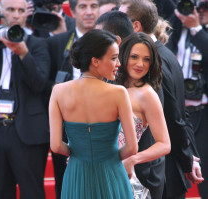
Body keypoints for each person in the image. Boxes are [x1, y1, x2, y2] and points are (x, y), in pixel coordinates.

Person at [119, 0, 204, 198]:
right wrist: (189, 156)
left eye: (122, 19)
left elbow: (174, 116)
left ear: (136, 25)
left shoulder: (153, 61)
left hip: (161, 171)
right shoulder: (164, 53)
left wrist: (187, 159)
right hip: (165, 166)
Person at [49, 28, 138, 199]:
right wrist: (108, 157)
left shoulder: (58, 91)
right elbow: (132, 147)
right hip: (111, 172)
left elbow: (56, 146)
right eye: (113, 58)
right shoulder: (118, 93)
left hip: (76, 173)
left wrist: (78, 153)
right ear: (95, 61)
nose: (119, 63)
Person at [0, 0, 50, 198]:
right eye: (11, 10)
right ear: (2, 13)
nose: (16, 15)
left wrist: (24, 54)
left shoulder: (38, 45)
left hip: (27, 131)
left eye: (20, 10)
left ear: (27, 13)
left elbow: (40, 84)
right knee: (0, 192)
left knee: (32, 192)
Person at [46, 0, 100, 197]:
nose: (88, 12)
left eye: (93, 6)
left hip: (103, 126)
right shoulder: (56, 43)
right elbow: (46, 85)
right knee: (66, 183)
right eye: (83, 6)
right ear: (73, 11)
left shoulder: (111, 43)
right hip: (66, 128)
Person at [117, 32, 171, 199]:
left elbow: (164, 144)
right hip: (98, 171)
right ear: (124, 56)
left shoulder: (147, 94)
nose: (140, 64)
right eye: (134, 57)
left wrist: (133, 160)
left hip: (124, 178)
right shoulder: (110, 85)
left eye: (146, 59)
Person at [170, 1, 208, 197]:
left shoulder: (202, 33)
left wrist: (197, 29)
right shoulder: (173, 29)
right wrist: (179, 18)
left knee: (205, 178)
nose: (199, 12)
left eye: (205, 7)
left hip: (203, 112)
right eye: (195, 7)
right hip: (177, 114)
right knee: (176, 175)